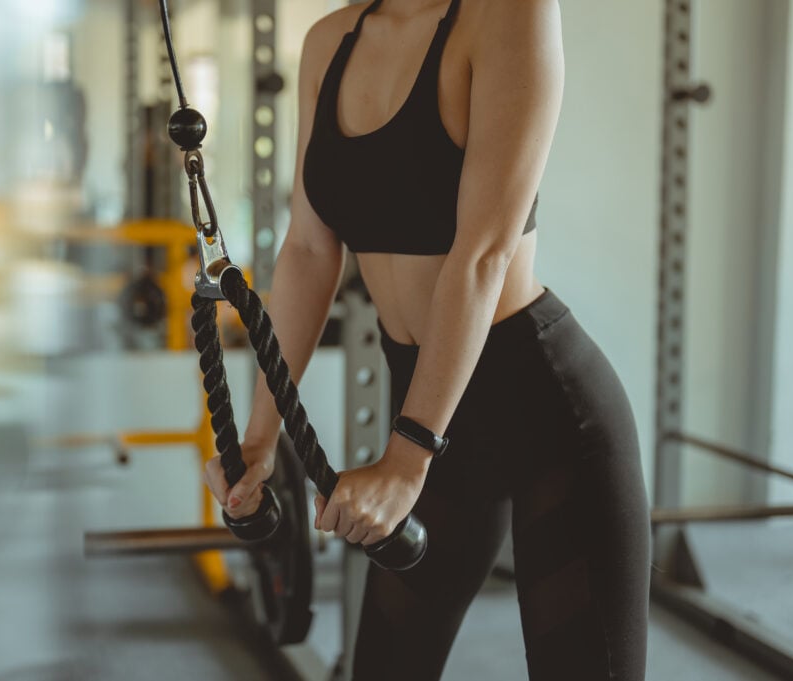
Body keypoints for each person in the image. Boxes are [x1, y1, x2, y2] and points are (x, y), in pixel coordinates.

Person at [203, 0, 651, 678]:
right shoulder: (330, 41)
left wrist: (407, 458)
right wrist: (262, 438)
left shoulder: (510, 14)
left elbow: (483, 252)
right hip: (432, 411)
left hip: (546, 416)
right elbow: (306, 250)